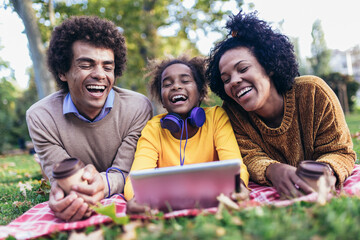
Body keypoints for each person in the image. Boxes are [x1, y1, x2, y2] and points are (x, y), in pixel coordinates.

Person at [206, 11, 356, 198]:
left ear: (269, 66)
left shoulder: (313, 91)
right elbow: (248, 156)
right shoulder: (233, 114)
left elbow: (340, 151)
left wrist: (326, 171)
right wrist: (273, 170)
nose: (234, 81)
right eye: (225, 79)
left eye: (243, 68)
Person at [26, 16, 153, 221]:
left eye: (107, 67)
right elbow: (63, 178)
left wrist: (101, 185)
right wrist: (62, 194)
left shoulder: (137, 108)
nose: (100, 74)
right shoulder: (41, 117)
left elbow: (126, 171)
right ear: (62, 72)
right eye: (86, 65)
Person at [124, 55, 250, 213]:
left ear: (201, 93)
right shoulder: (153, 129)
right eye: (167, 84)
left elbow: (236, 167)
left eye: (185, 81)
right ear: (162, 99)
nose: (176, 86)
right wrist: (137, 199)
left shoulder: (216, 117)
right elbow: (135, 180)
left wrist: (240, 186)